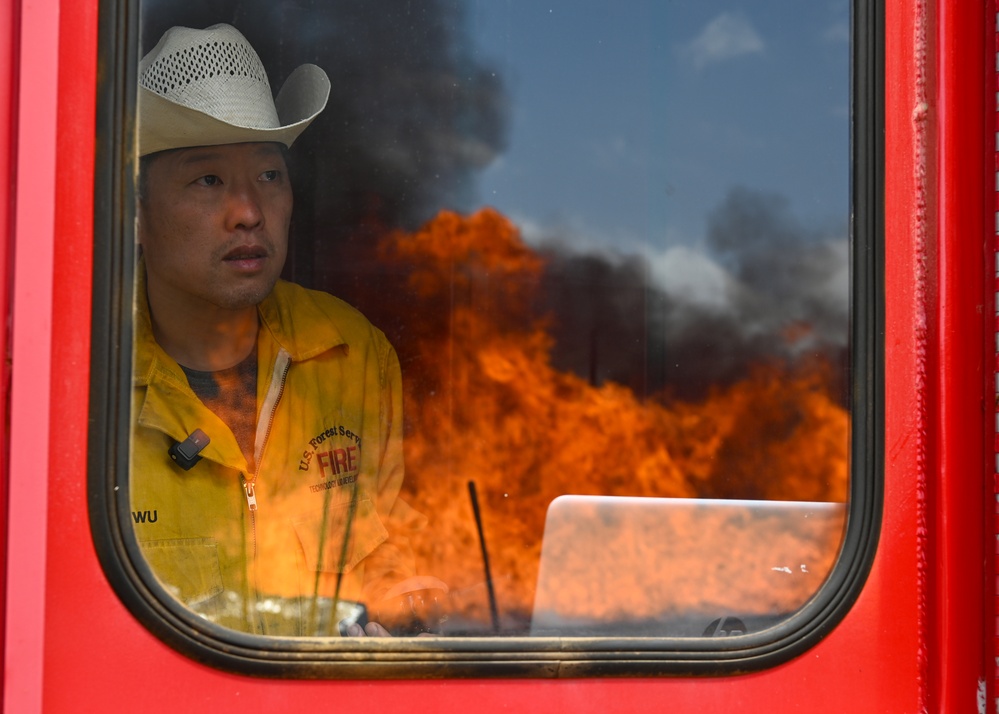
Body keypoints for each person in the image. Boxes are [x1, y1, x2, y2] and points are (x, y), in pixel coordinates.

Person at [129, 23, 439, 637]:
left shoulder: (348, 350)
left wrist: (406, 624)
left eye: (269, 175)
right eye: (208, 179)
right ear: (135, 214)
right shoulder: (83, 375)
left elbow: (394, 550)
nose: (249, 211)